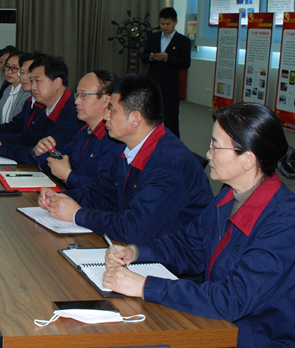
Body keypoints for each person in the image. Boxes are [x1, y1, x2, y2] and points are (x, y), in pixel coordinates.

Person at [103, 103, 295, 348]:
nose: (208, 153)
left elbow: (232, 299)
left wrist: (145, 286)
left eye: (216, 146)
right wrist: (136, 252)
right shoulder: (229, 195)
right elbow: (187, 246)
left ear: (248, 159)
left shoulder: (284, 222)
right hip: (218, 323)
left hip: (256, 337)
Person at [38, 74, 212, 243]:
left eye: (112, 110)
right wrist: (61, 198)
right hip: (142, 245)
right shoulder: (127, 147)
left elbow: (134, 228)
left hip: (171, 256)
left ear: (135, 119)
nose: (106, 117)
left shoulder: (168, 164)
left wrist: (77, 214)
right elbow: (104, 192)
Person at [0, 54, 82, 164]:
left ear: (57, 83)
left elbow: (47, 156)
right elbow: (29, 140)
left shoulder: (73, 114)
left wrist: (0, 149)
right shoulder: (47, 108)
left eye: (37, 81)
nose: (33, 87)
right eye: (32, 80)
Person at [31, 70, 123, 189]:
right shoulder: (84, 132)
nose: (76, 101)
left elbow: (104, 192)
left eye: (83, 95)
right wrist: (40, 152)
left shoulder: (113, 140)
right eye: (77, 95)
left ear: (107, 99)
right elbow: (58, 166)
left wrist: (68, 176)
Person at [141, 7, 191, 137]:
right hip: (152, 84)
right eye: (162, 23)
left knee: (171, 120)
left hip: (170, 87)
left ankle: (173, 146)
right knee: (149, 118)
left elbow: (186, 63)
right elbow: (143, 58)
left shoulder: (183, 41)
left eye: (168, 24)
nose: (164, 27)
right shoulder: (153, 37)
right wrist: (151, 56)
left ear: (175, 22)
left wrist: (168, 58)